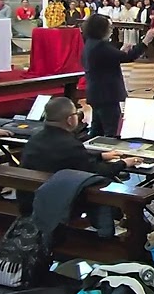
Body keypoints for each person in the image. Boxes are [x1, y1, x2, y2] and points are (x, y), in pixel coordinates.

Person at [20, 97, 139, 236]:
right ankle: (110, 234)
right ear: (70, 120)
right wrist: (124, 163)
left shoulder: (35, 138)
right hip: (60, 203)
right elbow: (96, 172)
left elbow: (70, 160)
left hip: (31, 197)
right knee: (107, 186)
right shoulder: (70, 144)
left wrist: (100, 156)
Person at [82, 14, 154, 137]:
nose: (111, 30)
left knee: (97, 131)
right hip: (107, 95)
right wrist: (146, 40)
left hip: (96, 93)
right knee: (112, 131)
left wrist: (120, 51)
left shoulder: (90, 43)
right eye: (110, 27)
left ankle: (94, 154)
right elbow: (128, 57)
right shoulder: (101, 46)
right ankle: (110, 154)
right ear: (101, 29)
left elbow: (107, 60)